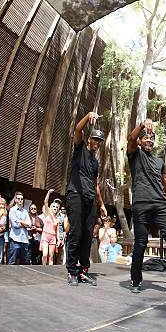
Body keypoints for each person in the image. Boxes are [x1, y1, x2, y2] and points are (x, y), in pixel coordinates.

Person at [127, 119, 166, 293]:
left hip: (160, 204)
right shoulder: (135, 154)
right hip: (141, 204)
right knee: (141, 243)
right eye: (146, 137)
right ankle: (135, 280)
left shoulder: (159, 162)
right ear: (140, 141)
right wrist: (142, 125)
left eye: (152, 138)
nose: (149, 140)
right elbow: (130, 138)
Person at [65, 112, 107, 286]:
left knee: (88, 235)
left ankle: (83, 271)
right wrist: (88, 115)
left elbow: (95, 184)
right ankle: (72, 270)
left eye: (99, 141)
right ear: (89, 139)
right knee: (76, 233)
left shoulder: (95, 163)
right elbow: (77, 129)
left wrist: (102, 204)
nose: (97, 143)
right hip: (75, 194)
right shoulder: (80, 148)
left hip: (90, 199)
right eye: (95, 139)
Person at [8, 191, 31, 265]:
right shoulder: (12, 210)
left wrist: (20, 221)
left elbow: (29, 224)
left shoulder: (25, 211)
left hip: (24, 239)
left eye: (21, 199)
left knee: (24, 262)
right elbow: (15, 225)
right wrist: (24, 223)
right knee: (12, 260)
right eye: (18, 198)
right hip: (15, 239)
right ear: (15, 200)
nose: (20, 200)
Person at [40, 190, 60, 265]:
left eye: (57, 207)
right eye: (54, 206)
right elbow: (45, 202)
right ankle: (43, 268)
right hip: (45, 235)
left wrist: (58, 240)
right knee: (45, 254)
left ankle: (49, 271)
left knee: (51, 256)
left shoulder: (57, 219)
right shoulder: (48, 214)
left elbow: (57, 231)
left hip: (53, 237)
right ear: (51, 207)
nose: (55, 208)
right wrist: (48, 192)